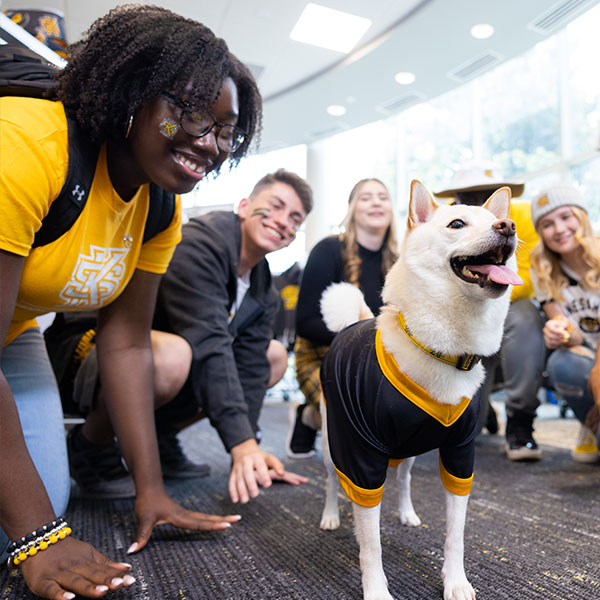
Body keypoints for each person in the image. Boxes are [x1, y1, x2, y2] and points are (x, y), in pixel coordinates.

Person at [0, 4, 261, 599]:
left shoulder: (159, 206)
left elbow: (123, 346)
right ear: (130, 93)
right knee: (27, 526)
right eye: (191, 113)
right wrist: (39, 536)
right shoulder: (23, 146)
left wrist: (153, 490)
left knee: (34, 505)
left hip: (12, 334)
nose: (210, 143)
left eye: (225, 129)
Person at [434, 161, 546, 461]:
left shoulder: (519, 216)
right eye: (469, 198)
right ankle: (474, 413)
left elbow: (532, 272)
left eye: (489, 196)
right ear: (455, 199)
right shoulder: (441, 220)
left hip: (507, 309)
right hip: (457, 313)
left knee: (524, 316)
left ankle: (520, 421)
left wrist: (489, 282)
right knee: (470, 426)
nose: (481, 206)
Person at [287, 178, 399, 458]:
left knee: (392, 419)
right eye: (366, 197)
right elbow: (305, 323)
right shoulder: (327, 250)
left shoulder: (400, 261)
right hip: (323, 355)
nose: (375, 201)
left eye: (382, 196)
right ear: (351, 209)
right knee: (356, 418)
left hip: (378, 360)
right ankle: (308, 416)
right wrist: (363, 339)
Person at [530, 184, 600, 463]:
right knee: (562, 362)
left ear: (581, 216)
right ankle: (590, 423)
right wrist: (560, 334)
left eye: (565, 217)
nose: (559, 229)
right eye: (547, 224)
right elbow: (574, 335)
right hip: (586, 357)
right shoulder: (544, 270)